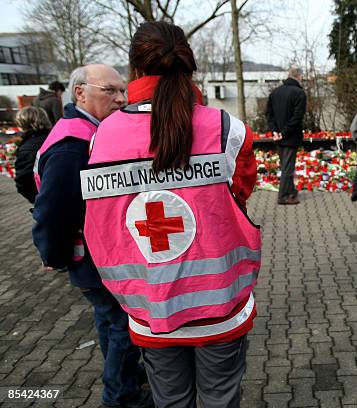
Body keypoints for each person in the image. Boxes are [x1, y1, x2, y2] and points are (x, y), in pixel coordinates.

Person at [80, 22, 261, 408]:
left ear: (134, 71)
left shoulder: (102, 136)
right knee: (221, 398)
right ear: (188, 65)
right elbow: (241, 193)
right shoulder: (228, 129)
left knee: (171, 401)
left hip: (149, 309)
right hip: (220, 309)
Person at [32, 64, 152, 408]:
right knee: (123, 324)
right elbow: (53, 208)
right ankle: (120, 396)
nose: (120, 99)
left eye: (122, 91)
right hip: (92, 257)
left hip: (95, 255)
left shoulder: (86, 130)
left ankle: (125, 374)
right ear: (80, 92)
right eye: (109, 91)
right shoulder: (74, 143)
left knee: (108, 319)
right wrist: (52, 255)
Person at [266, 65, 307, 205]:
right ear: (299, 76)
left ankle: (291, 191)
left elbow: (269, 114)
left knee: (286, 166)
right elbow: (297, 118)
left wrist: (275, 131)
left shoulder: (275, 92)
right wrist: (283, 133)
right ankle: (283, 196)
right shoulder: (299, 93)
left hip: (279, 137)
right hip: (290, 137)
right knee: (288, 168)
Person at [14, 106, 51, 204]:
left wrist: (37, 200)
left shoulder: (27, 147)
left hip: (43, 198)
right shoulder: (53, 137)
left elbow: (23, 180)